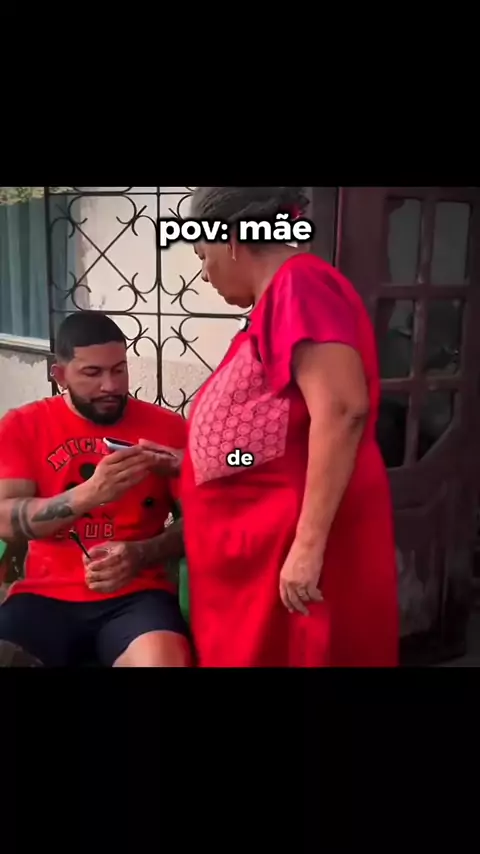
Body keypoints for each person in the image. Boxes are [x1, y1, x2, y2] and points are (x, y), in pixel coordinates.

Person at [178, 186, 399, 667]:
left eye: (202, 255)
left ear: (229, 240)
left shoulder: (299, 284)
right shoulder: (280, 296)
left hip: (291, 542)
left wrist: (307, 548)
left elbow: (342, 409)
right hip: (262, 548)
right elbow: (275, 427)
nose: (205, 272)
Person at [0, 312, 191, 667]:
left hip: (137, 595)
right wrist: (89, 494)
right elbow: (4, 520)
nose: (111, 386)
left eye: (119, 370)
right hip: (44, 595)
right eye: (92, 373)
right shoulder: (23, 426)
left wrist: (142, 553)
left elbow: (201, 518)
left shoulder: (167, 427)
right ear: (60, 375)